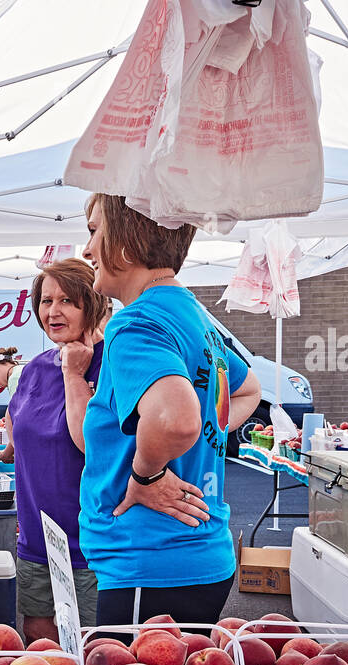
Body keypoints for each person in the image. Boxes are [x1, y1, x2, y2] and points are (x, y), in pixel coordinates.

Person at [75, 194, 261, 627]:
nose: (86, 250)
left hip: (150, 561)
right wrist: (203, 429)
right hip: (197, 555)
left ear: (125, 241)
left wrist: (147, 474)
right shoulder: (191, 313)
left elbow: (175, 419)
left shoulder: (135, 321)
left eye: (93, 231)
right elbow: (246, 388)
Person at [6, 260, 109, 642]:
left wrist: (74, 373)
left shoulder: (110, 364)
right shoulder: (34, 368)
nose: (53, 311)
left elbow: (90, 442)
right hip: (36, 539)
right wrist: (13, 448)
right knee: (41, 655)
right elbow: (17, 416)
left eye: (68, 300)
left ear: (93, 303)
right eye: (46, 300)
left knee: (92, 653)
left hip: (89, 546)